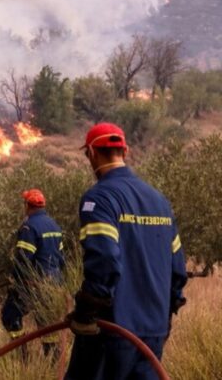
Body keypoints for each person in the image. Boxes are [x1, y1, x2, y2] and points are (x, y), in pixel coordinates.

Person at [66, 123, 188, 380]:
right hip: (152, 335)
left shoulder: (98, 198)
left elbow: (106, 260)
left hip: (111, 333)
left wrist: (86, 310)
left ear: (91, 152)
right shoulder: (159, 201)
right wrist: (164, 316)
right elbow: (178, 267)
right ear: (126, 151)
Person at [1, 188, 66, 360]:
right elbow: (61, 260)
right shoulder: (55, 226)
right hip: (54, 284)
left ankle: (21, 355)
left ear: (28, 206)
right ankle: (52, 362)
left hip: (34, 284)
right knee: (47, 324)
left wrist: (15, 283)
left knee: (10, 315)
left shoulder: (29, 227)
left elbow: (23, 259)